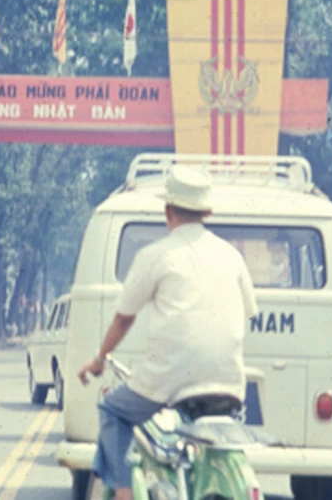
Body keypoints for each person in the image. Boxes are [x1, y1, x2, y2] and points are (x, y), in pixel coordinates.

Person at [77, 165, 258, 500]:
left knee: (112, 411)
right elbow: (247, 313)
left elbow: (123, 319)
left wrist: (100, 359)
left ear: (168, 211)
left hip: (169, 380)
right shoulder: (232, 256)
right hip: (228, 386)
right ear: (207, 212)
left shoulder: (156, 255)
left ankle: (122, 491)